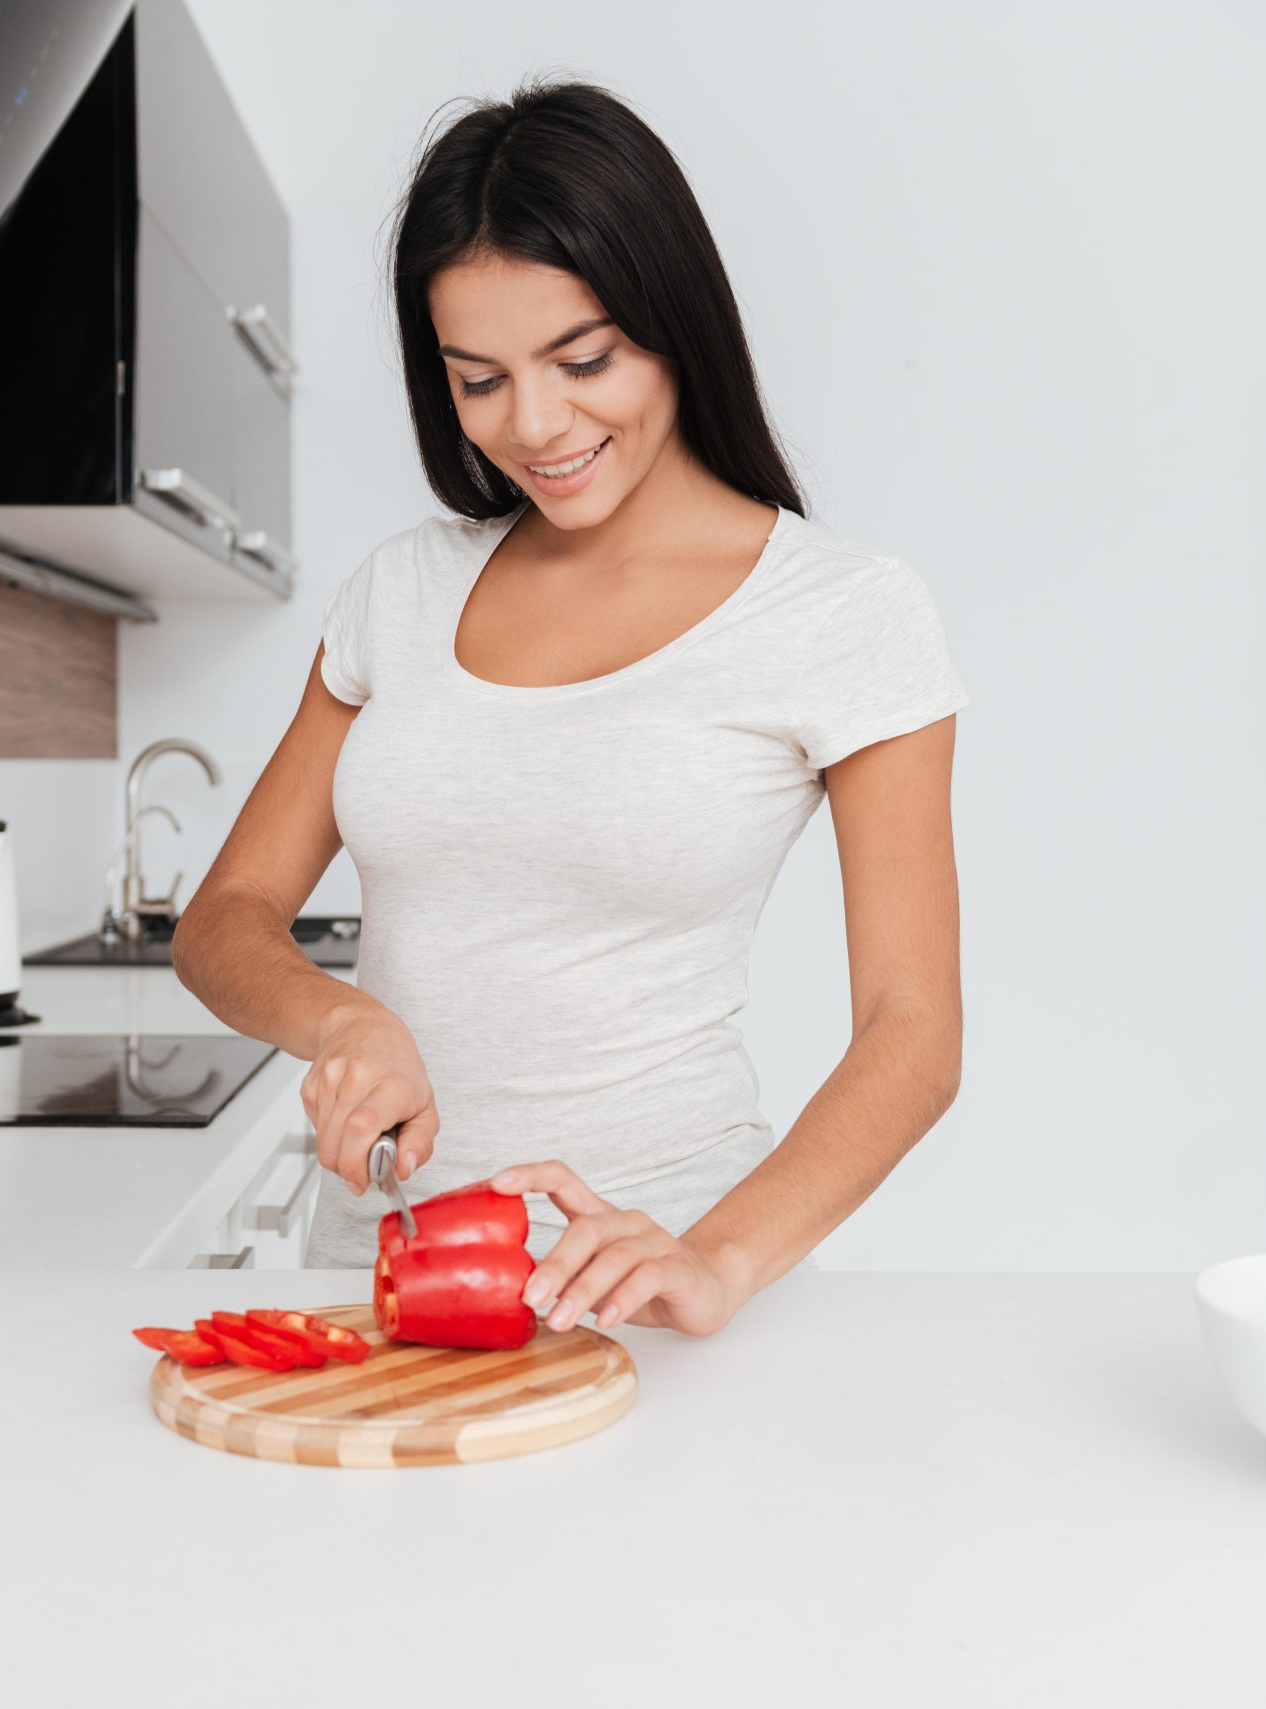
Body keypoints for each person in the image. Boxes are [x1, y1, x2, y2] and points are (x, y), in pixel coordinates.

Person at [173, 80, 966, 1338]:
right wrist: (343, 1016)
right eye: (478, 379)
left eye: (583, 361)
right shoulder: (401, 591)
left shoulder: (843, 612)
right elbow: (224, 917)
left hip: (659, 1276)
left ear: (674, 322)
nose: (535, 425)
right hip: (383, 1268)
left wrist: (718, 1259)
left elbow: (912, 1031)